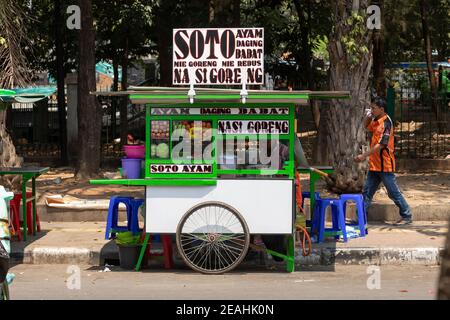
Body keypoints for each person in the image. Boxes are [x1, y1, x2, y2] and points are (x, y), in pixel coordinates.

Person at [355, 97, 413, 225]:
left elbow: (381, 144)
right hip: (375, 165)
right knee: (367, 192)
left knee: (393, 192)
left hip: (385, 165)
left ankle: (407, 215)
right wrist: (368, 116)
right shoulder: (376, 120)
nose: (372, 110)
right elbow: (366, 126)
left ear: (381, 109)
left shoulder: (386, 123)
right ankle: (360, 218)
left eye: (374, 108)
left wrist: (364, 155)